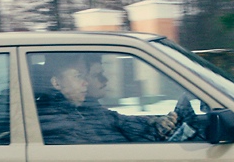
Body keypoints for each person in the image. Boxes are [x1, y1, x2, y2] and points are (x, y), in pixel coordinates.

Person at [36, 53, 178, 145]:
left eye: (85, 76)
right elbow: (108, 146)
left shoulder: (82, 109)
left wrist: (154, 123)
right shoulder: (54, 118)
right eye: (78, 76)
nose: (86, 83)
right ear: (56, 83)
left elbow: (119, 121)